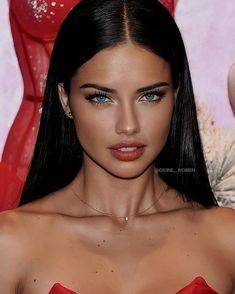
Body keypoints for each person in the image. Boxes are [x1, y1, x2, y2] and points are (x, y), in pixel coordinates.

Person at [0, 0, 235, 293]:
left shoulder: (228, 238)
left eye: (149, 96)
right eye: (101, 98)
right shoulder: (9, 244)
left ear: (175, 94)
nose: (128, 125)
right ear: (65, 99)